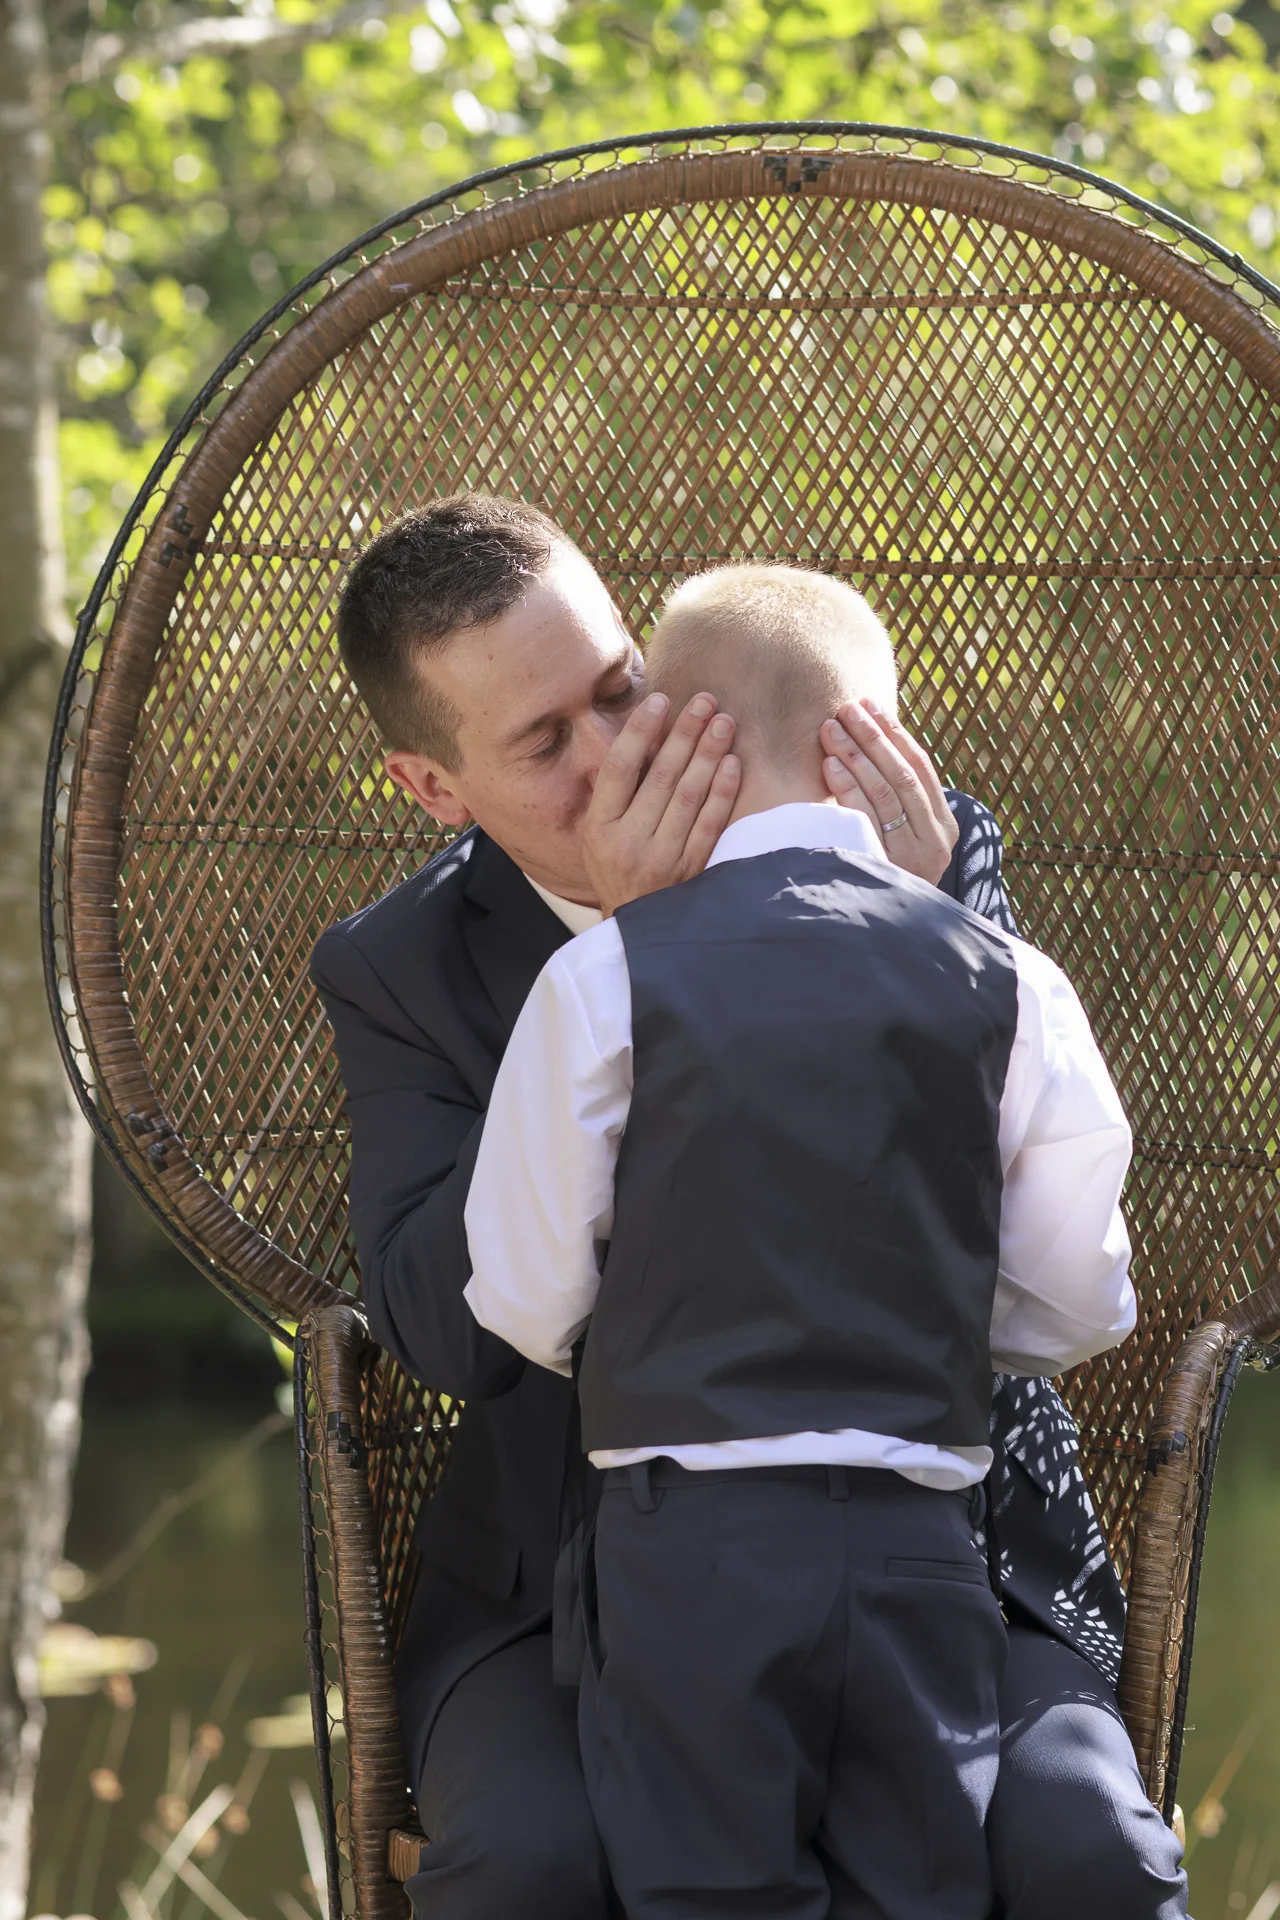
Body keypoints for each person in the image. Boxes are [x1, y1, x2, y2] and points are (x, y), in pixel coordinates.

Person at [311, 492, 1189, 1919]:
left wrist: (900, 914)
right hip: (560, 1580)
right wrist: (643, 961)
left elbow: (1014, 1190)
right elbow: (443, 1325)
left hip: (946, 1538)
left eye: (621, 692)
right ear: (434, 786)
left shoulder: (910, 838)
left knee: (1088, 1850)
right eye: (544, 742)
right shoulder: (403, 964)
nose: (615, 755)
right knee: (530, 1864)